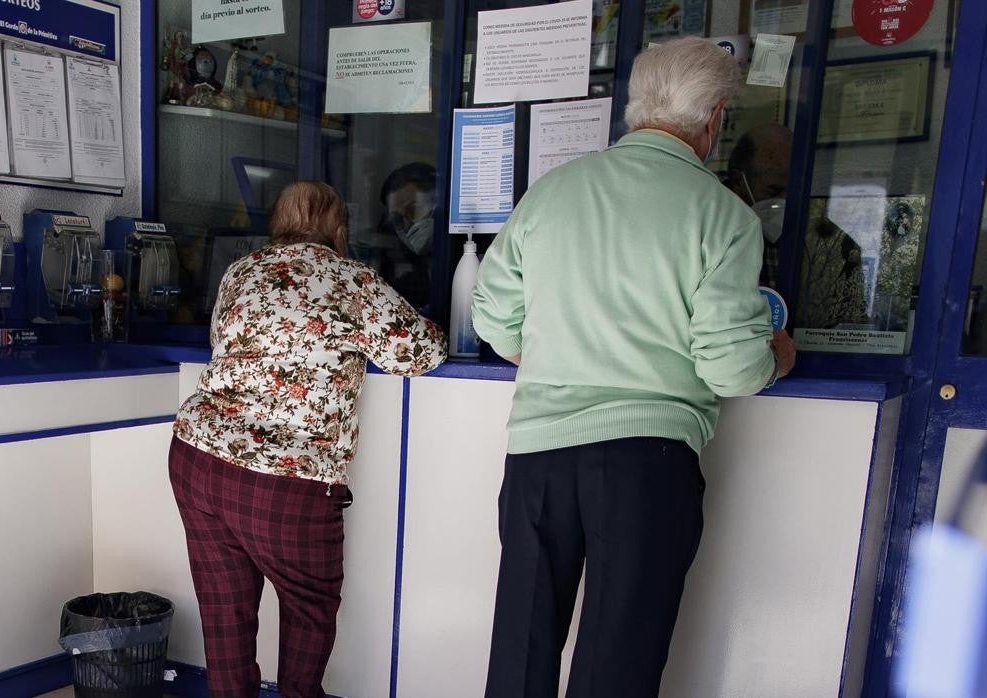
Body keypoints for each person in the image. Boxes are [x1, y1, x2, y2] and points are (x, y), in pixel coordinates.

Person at [472, 37, 796, 698]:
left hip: (538, 456)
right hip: (645, 466)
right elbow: (731, 369)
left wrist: (562, 353)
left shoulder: (553, 192)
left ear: (634, 109)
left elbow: (492, 317)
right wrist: (778, 354)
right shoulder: (723, 218)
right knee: (615, 667)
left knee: (520, 653)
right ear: (714, 121)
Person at [169, 181, 446, 698]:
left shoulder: (240, 271)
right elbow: (420, 352)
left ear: (277, 228)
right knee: (308, 608)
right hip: (286, 481)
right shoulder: (350, 278)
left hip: (197, 457)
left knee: (224, 611)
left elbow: (221, 343)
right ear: (339, 232)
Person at [726, 123, 794, 288]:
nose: (783, 201)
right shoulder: (710, 231)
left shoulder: (820, 240)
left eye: (792, 193)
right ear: (737, 181)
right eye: (773, 191)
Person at [377, 162, 438, 308]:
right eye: (398, 218)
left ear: (438, 200)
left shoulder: (470, 261)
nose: (407, 225)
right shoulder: (403, 286)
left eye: (413, 208)